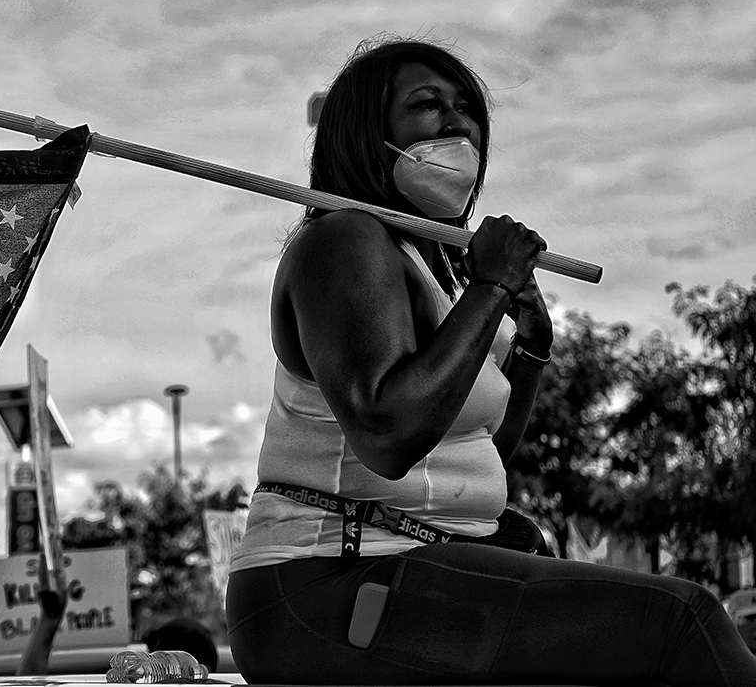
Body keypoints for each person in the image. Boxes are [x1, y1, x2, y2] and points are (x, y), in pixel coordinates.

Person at [225, 35, 756, 687]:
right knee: (682, 620)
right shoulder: (347, 236)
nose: (456, 123)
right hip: (327, 588)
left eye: (466, 108)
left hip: (402, 572)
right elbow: (388, 437)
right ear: (368, 133)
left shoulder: (430, 265)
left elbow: (470, 460)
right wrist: (491, 288)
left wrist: (530, 346)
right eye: (427, 105)